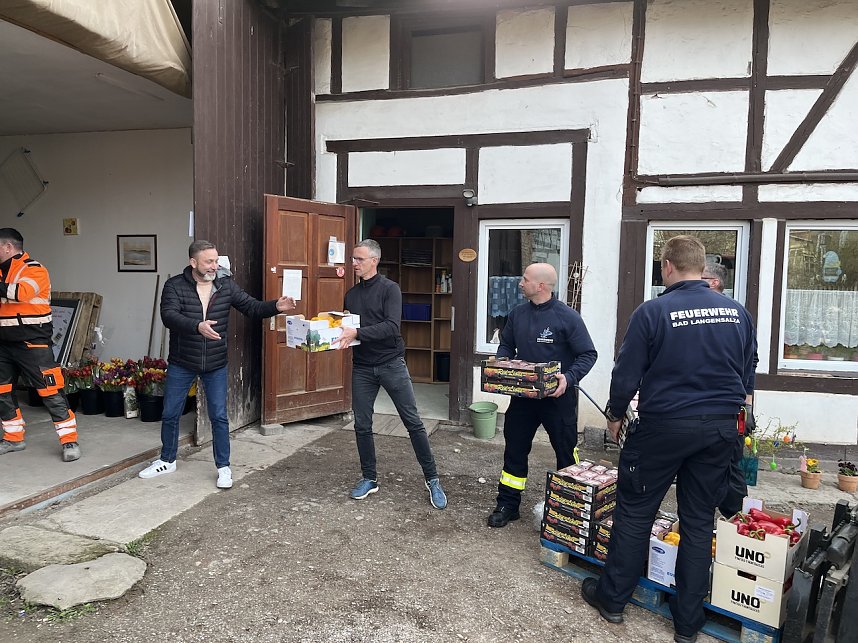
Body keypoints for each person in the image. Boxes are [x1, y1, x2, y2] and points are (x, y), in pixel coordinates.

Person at [581, 236, 756, 643]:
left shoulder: (653, 311)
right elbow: (748, 371)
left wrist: (615, 413)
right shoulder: (737, 312)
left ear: (667, 266)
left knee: (635, 512)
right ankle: (688, 623)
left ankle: (613, 600)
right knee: (698, 520)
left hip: (664, 427)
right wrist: (741, 412)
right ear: (702, 267)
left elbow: (627, 371)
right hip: (720, 428)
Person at [138, 240, 296, 489]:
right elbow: (169, 316)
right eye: (209, 261)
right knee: (170, 413)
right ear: (193, 262)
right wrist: (197, 326)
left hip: (215, 363)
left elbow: (251, 307)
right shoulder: (175, 286)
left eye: (216, 260)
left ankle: (223, 467)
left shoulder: (225, 285)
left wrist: (276, 306)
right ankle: (167, 460)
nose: (214, 266)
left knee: (219, 416)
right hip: (182, 361)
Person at [332, 239, 447, 510]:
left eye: (359, 259)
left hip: (391, 364)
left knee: (413, 422)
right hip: (362, 367)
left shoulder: (390, 289)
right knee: (362, 425)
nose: (354, 263)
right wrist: (336, 334)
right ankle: (369, 478)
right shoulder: (351, 294)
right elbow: (350, 327)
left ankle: (432, 479)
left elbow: (392, 327)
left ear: (374, 261)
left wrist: (357, 332)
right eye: (353, 259)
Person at [487, 263, 597, 528]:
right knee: (514, 449)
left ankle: (571, 508)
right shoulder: (517, 314)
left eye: (525, 279)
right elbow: (506, 345)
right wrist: (502, 362)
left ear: (541, 286)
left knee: (566, 453)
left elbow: (588, 354)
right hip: (523, 398)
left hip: (557, 399)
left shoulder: (567, 317)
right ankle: (508, 504)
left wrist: (568, 378)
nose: (520, 283)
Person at [0, 228, 81, 461]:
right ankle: (13, 438)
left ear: (8, 247)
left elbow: (21, 293)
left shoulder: (34, 269)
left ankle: (69, 441)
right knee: (2, 392)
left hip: (33, 344)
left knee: (51, 391)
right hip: (3, 344)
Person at [702, 261, 758, 518]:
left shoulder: (737, 314)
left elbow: (751, 362)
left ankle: (737, 523)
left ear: (714, 282)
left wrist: (747, 405)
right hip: (703, 408)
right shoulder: (693, 310)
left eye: (700, 276)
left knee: (730, 466)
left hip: (728, 409)